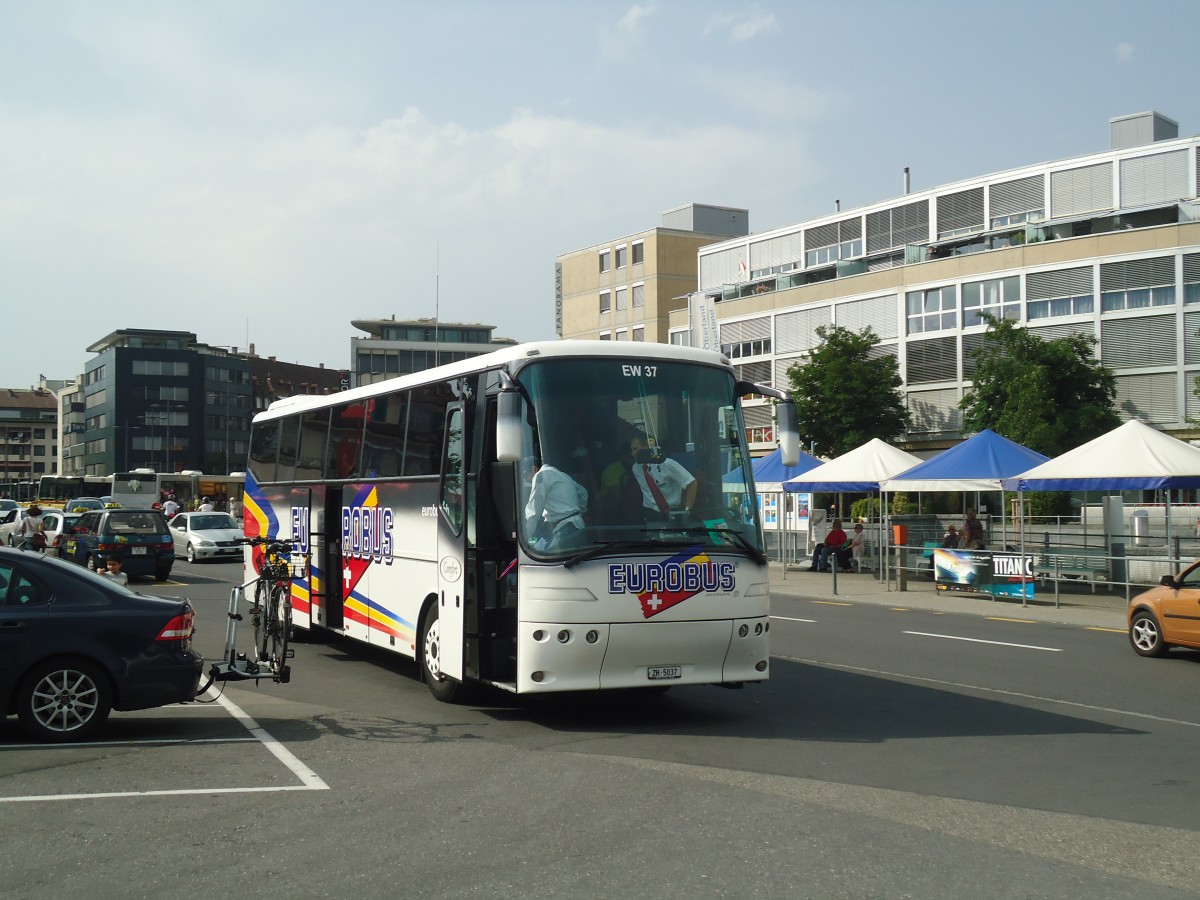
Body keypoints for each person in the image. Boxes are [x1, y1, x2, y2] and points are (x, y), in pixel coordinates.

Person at [524, 455, 589, 550]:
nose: (525, 479)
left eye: (525, 474)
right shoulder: (563, 475)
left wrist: (526, 538)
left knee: (546, 558)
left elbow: (533, 511)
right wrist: (579, 512)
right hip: (578, 527)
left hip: (565, 530)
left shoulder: (540, 475)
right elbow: (583, 492)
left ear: (534, 469)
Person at [630, 437, 696, 518]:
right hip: (650, 513)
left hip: (672, 512)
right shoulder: (636, 468)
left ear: (647, 448)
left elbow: (692, 483)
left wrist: (687, 510)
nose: (632, 453)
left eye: (635, 449)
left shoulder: (667, 464)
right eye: (632, 450)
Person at [596, 437, 643, 524]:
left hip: (636, 501)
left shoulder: (644, 468)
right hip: (611, 500)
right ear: (622, 455)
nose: (632, 459)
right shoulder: (611, 470)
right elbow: (619, 496)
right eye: (629, 456)